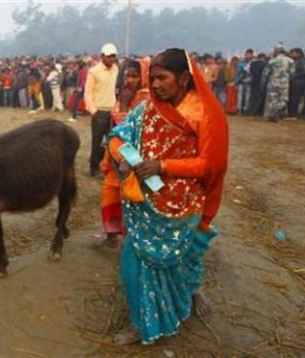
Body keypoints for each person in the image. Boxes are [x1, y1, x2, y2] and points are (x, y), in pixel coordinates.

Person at [109, 48, 228, 345]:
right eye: (154, 78)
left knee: (178, 263)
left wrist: (163, 165)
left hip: (182, 207)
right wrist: (123, 155)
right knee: (132, 264)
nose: (156, 85)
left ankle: (178, 305)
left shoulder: (204, 114)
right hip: (145, 205)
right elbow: (119, 135)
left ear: (184, 78)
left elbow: (210, 165)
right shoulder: (148, 108)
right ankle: (143, 324)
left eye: (162, 78)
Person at [98, 58, 150, 248]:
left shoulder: (147, 99)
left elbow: (131, 130)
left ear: (144, 77)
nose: (130, 80)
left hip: (136, 156)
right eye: (128, 75)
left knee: (132, 195)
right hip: (116, 155)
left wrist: (126, 106)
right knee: (109, 191)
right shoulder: (124, 95)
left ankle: (132, 239)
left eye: (135, 76)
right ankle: (111, 234)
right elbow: (114, 129)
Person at [85, 43, 119, 178]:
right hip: (99, 111)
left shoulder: (115, 69)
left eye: (113, 57)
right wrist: (94, 111)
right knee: (97, 141)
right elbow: (87, 93)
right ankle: (94, 168)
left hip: (112, 111)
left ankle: (107, 166)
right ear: (102, 56)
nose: (111, 60)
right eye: (109, 57)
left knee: (112, 141)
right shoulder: (94, 71)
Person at [262, 44, 294, 122]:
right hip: (284, 84)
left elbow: (265, 74)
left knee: (271, 99)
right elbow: (292, 73)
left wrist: (263, 84)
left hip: (273, 82)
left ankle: (270, 115)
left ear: (276, 51)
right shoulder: (290, 61)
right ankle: (277, 114)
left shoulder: (272, 61)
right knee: (283, 99)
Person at [288, 48, 305, 119]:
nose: (291, 55)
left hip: (298, 82)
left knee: (294, 98)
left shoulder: (301, 61)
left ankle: (293, 115)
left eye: (293, 53)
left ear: (298, 53)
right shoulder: (297, 60)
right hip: (299, 81)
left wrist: (295, 76)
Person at [236, 49, 254, 115]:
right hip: (241, 82)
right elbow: (238, 73)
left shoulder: (253, 63)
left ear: (252, 55)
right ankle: (239, 109)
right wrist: (236, 81)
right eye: (247, 54)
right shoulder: (241, 63)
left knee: (247, 96)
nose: (248, 55)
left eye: (249, 54)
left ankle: (245, 109)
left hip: (249, 82)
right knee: (240, 96)